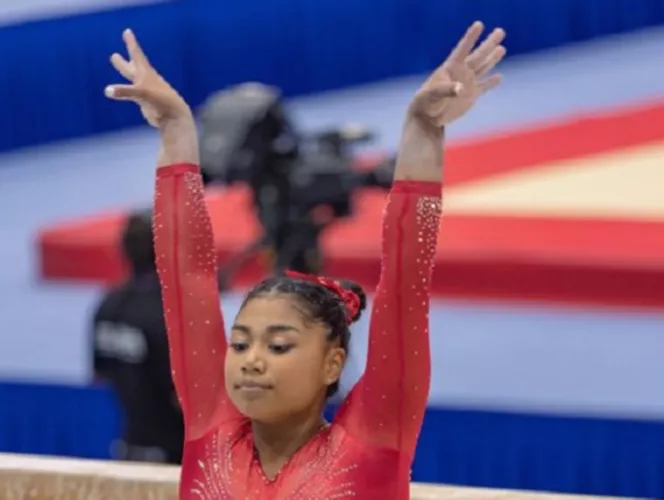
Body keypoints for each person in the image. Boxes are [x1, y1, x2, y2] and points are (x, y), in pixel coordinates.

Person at [105, 21, 505, 499]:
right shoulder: (209, 428)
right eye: (240, 345)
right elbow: (185, 277)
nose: (251, 362)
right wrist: (176, 133)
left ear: (332, 363)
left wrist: (423, 130)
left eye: (278, 347)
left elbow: (405, 283)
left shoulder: (374, 436)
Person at [91, 209, 184, 464]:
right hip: (173, 458)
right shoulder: (168, 313)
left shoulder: (106, 306)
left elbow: (100, 376)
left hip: (129, 447)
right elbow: (181, 396)